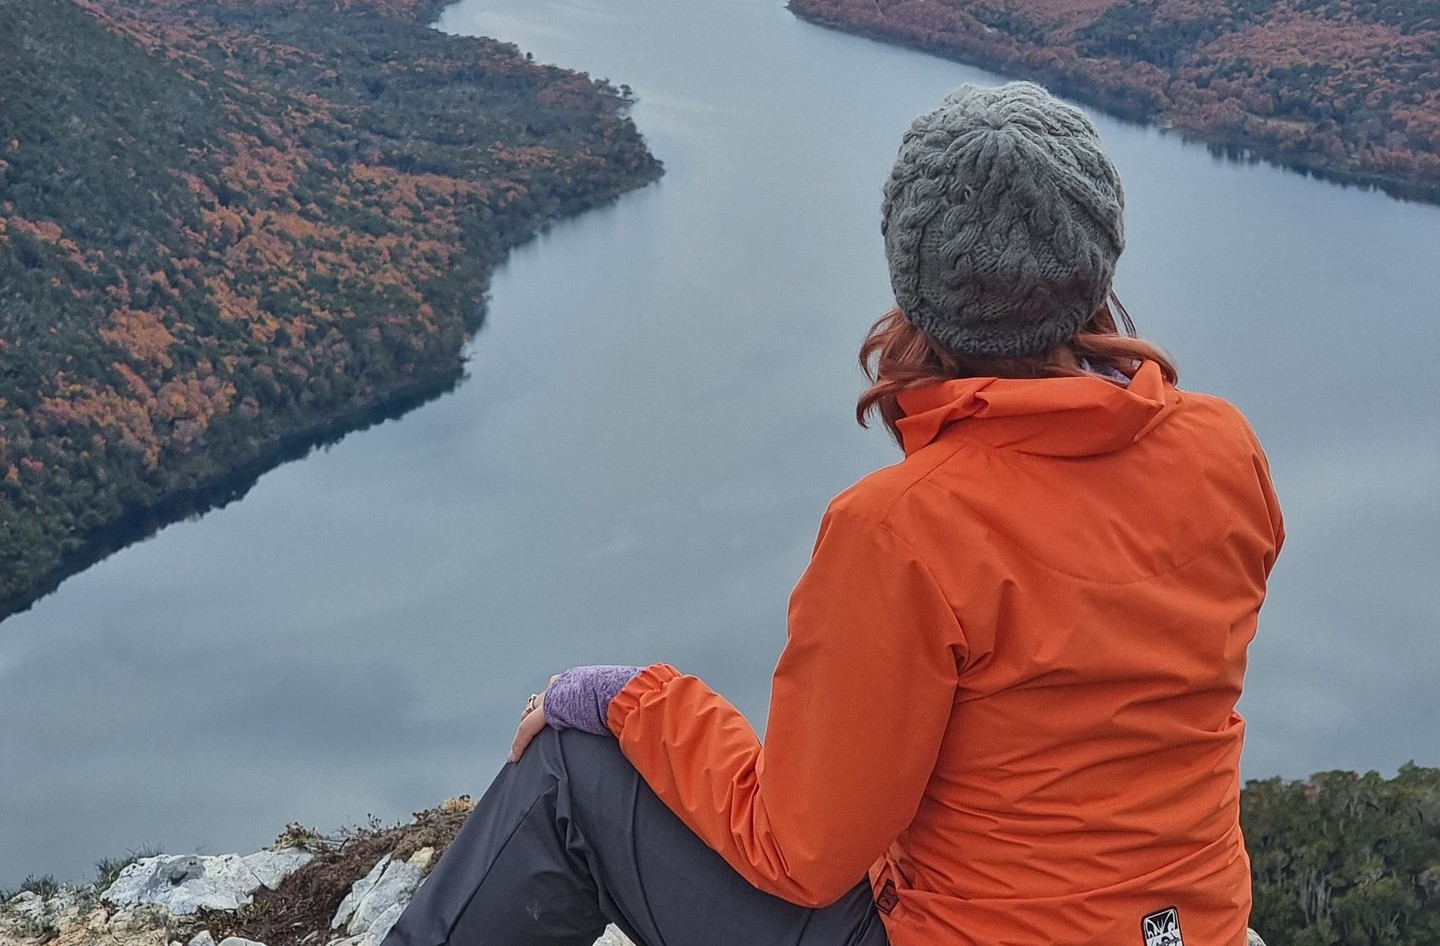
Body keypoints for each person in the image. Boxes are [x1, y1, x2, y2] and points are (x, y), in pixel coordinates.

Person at [381, 81, 1283, 946]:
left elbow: (802, 850)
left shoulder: (904, 528)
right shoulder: (1220, 446)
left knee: (569, 776)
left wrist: (626, 698)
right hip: (1182, 930)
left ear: (920, 278)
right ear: (1094, 256)